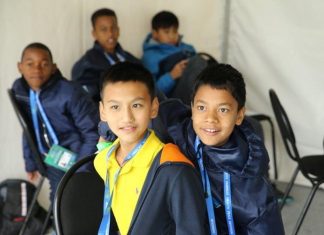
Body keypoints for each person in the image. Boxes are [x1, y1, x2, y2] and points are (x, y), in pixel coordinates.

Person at [157, 63, 285, 234]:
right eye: (202, 108)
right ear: (192, 108)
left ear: (239, 115)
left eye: (223, 110)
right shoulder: (179, 130)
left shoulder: (251, 185)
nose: (210, 118)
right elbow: (144, 100)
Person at [94, 62, 206, 235]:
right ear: (103, 111)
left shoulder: (174, 169)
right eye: (115, 107)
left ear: (153, 108)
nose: (127, 117)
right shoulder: (104, 161)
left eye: (136, 105)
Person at [12, 42, 100, 201]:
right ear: (20, 67)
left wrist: (80, 169)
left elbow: (93, 133)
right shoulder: (20, 90)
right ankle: (60, 223)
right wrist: (30, 162)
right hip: (51, 156)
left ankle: (64, 224)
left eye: (44, 64)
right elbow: (28, 128)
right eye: (30, 64)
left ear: (53, 67)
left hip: (79, 155)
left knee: (69, 197)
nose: (37, 69)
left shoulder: (69, 93)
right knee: (61, 197)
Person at [72, 8, 140, 103]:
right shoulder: (86, 66)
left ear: (119, 30)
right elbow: (87, 105)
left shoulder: (133, 61)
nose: (110, 34)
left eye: (113, 28)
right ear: (94, 33)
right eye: (104, 29)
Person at [142, 10, 196, 97]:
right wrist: (172, 75)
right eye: (166, 32)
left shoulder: (188, 48)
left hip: (196, 88)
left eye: (175, 31)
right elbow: (152, 91)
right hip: (174, 97)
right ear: (155, 34)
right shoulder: (150, 57)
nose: (172, 36)